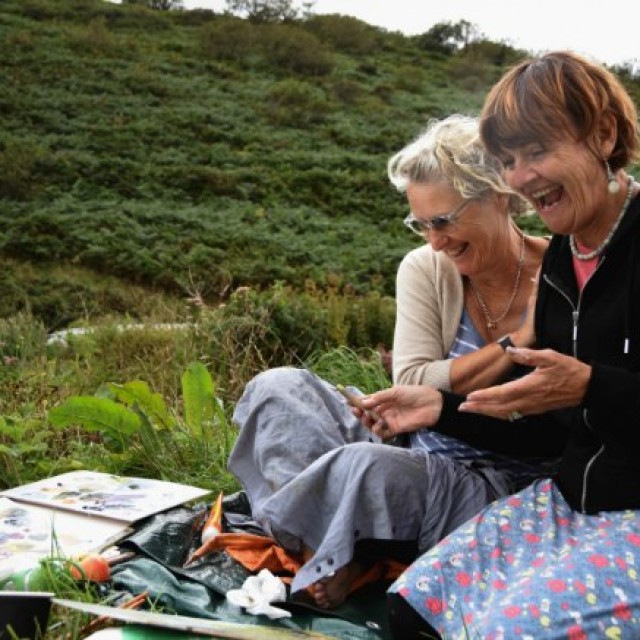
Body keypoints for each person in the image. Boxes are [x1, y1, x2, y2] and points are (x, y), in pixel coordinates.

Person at [227, 114, 557, 610]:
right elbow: (415, 380)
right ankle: (346, 548)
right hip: (409, 447)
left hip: (491, 484)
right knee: (278, 390)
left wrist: (442, 398)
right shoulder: (426, 268)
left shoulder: (562, 277)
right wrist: (517, 339)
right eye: (419, 223)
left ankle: (327, 548)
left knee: (363, 466)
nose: (434, 239)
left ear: (500, 196)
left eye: (443, 220)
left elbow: (549, 421)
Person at [375, 51, 640, 638]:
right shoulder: (562, 268)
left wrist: (595, 386)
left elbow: (590, 396)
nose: (521, 178)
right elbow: (552, 432)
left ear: (602, 134)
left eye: (538, 152)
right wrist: (441, 410)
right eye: (510, 161)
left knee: (505, 630)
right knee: (413, 606)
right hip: (574, 498)